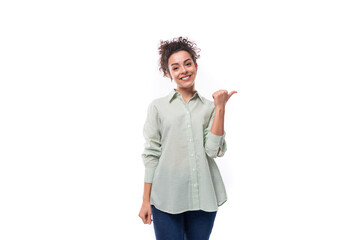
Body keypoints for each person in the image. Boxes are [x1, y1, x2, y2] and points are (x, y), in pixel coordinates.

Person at [138, 36, 237, 240]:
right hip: (166, 198)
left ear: (195, 66)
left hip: (203, 198)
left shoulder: (210, 107)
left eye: (187, 64)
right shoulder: (158, 107)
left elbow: (213, 150)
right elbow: (151, 154)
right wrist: (146, 200)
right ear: (168, 73)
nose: (183, 71)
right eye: (175, 67)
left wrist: (220, 108)